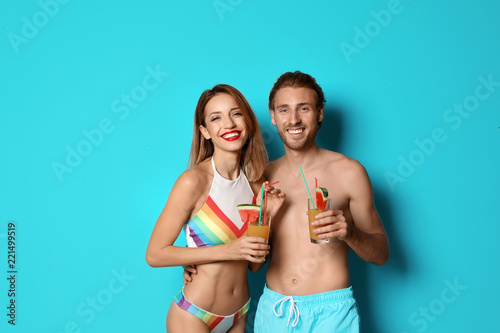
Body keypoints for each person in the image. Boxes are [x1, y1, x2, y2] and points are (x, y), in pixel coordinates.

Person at [253, 71, 390, 332]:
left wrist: (350, 233)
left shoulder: (350, 172)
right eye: (284, 110)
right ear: (273, 116)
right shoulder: (262, 178)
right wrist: (198, 265)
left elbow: (382, 254)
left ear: (319, 113)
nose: (293, 119)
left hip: (331, 314)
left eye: (303, 108)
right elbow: (252, 263)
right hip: (274, 311)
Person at [146, 84, 284, 333]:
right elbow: (155, 254)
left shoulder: (256, 185)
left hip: (239, 313)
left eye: (236, 113)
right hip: (194, 315)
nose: (229, 124)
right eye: (216, 118)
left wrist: (268, 216)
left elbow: (253, 265)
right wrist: (227, 250)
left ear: (248, 122)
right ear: (205, 131)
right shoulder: (193, 181)